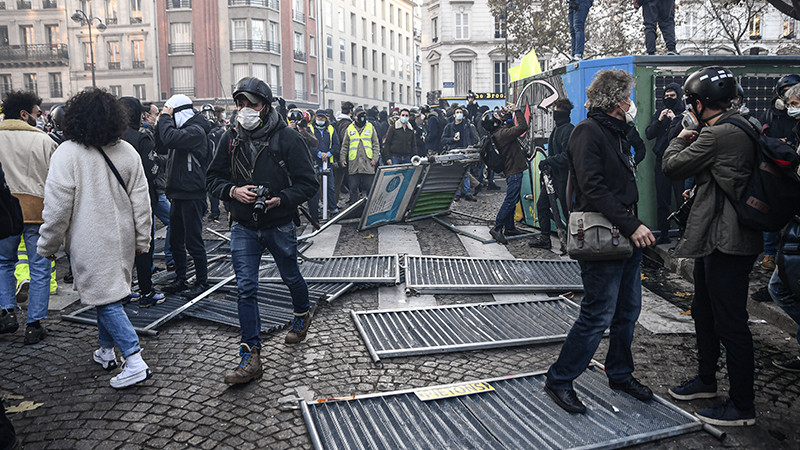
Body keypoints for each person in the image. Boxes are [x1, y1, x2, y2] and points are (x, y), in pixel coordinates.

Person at [544, 70, 656, 414]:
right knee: (597, 315)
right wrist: (632, 224)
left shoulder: (619, 131)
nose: (630, 103)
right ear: (615, 100)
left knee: (627, 312)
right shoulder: (587, 132)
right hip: (602, 236)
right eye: (626, 97)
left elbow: (637, 153)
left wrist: (628, 127)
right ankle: (560, 379)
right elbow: (593, 188)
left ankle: (620, 373)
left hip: (625, 235)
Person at [663, 66, 762, 427]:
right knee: (704, 310)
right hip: (717, 236)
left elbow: (671, 165)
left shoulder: (717, 134)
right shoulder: (742, 123)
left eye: (692, 103)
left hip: (728, 240)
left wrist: (682, 135)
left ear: (701, 104)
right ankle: (706, 380)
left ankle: (742, 405)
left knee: (731, 321)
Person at [38, 88, 153, 388]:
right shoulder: (127, 151)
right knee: (110, 293)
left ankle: (135, 358)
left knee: (106, 300)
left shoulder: (67, 153)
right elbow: (142, 202)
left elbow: (57, 208)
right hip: (123, 238)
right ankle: (105, 351)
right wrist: (143, 240)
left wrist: (47, 245)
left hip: (90, 240)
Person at [207, 77, 318, 384]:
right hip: (243, 225)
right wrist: (232, 192)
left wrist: (281, 199)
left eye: (251, 104)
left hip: (278, 223)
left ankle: (302, 314)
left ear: (265, 107)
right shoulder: (229, 139)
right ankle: (250, 356)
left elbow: (309, 183)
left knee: (290, 275)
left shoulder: (287, 139)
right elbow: (212, 178)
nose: (244, 110)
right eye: (240, 103)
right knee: (246, 288)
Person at [0, 90, 57, 345]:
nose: (40, 118)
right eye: (37, 113)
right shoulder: (45, 141)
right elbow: (56, 181)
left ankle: (7, 312)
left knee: (3, 263)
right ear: (24, 114)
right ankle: (34, 324)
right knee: (40, 267)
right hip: (37, 211)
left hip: (3, 211)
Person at [156, 94, 211, 298]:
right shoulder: (180, 129)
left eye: (169, 112)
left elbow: (169, 138)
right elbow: (161, 143)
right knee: (176, 240)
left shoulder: (196, 130)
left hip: (192, 193)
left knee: (193, 240)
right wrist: (163, 121)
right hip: (177, 192)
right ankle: (181, 278)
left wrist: (165, 119)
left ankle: (202, 282)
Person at [120, 96, 164, 308]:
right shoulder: (140, 139)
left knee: (122, 248)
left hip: (117, 202)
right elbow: (151, 170)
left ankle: (124, 290)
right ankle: (146, 291)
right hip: (141, 198)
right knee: (144, 245)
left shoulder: (109, 139)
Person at [759, 74, 800, 271]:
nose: (790, 105)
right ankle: (770, 254)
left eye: (795, 102)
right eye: (787, 99)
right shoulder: (771, 114)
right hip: (777, 169)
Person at [645, 82, 685, 244]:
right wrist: (660, 120)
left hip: (680, 160)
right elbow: (649, 134)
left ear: (679, 96)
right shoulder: (660, 113)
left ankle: (684, 233)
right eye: (666, 96)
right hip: (661, 160)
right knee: (663, 198)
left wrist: (675, 120)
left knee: (682, 199)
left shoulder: (684, 114)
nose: (668, 99)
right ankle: (664, 232)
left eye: (672, 96)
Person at [531, 99, 574, 249]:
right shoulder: (559, 128)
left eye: (556, 110)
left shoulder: (568, 130)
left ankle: (573, 240)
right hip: (554, 177)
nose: (554, 114)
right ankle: (545, 238)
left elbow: (567, 156)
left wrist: (549, 161)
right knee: (542, 205)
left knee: (567, 209)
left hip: (565, 178)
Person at [487, 104, 532, 244]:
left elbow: (511, 128)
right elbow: (522, 128)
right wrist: (517, 111)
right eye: (496, 116)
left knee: (513, 198)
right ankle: (497, 227)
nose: (498, 116)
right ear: (493, 122)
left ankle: (510, 228)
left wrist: (507, 116)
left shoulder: (499, 133)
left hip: (512, 169)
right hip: (513, 170)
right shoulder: (502, 134)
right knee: (510, 200)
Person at [340, 107, 381, 205]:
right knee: (353, 188)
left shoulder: (370, 127)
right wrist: (342, 159)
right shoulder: (349, 128)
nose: (362, 117)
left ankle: (369, 208)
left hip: (368, 163)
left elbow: (376, 144)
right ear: (354, 116)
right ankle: (354, 208)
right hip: (354, 163)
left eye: (364, 115)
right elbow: (345, 145)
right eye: (359, 115)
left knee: (369, 188)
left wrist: (375, 159)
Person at [441, 106, 479, 201]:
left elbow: (473, 137)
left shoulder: (467, 125)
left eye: (460, 112)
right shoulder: (449, 126)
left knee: (466, 172)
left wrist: (470, 146)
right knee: (456, 173)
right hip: (454, 151)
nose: (459, 114)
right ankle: (457, 193)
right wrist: (452, 140)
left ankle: (468, 193)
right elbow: (443, 139)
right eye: (457, 112)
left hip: (465, 150)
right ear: (454, 115)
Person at [310, 109, 341, 221]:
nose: (320, 119)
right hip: (314, 161)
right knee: (315, 187)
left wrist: (328, 154)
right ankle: (316, 209)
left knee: (330, 187)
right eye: (319, 117)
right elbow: (309, 144)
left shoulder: (331, 129)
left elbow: (336, 145)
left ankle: (333, 209)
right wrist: (318, 153)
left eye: (322, 117)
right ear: (315, 118)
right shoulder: (311, 129)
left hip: (327, 162)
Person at [334, 101, 355, 203]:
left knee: (338, 181)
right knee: (348, 180)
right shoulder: (347, 123)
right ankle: (354, 202)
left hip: (338, 155)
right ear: (351, 111)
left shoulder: (338, 121)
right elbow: (345, 138)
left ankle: (333, 202)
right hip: (345, 156)